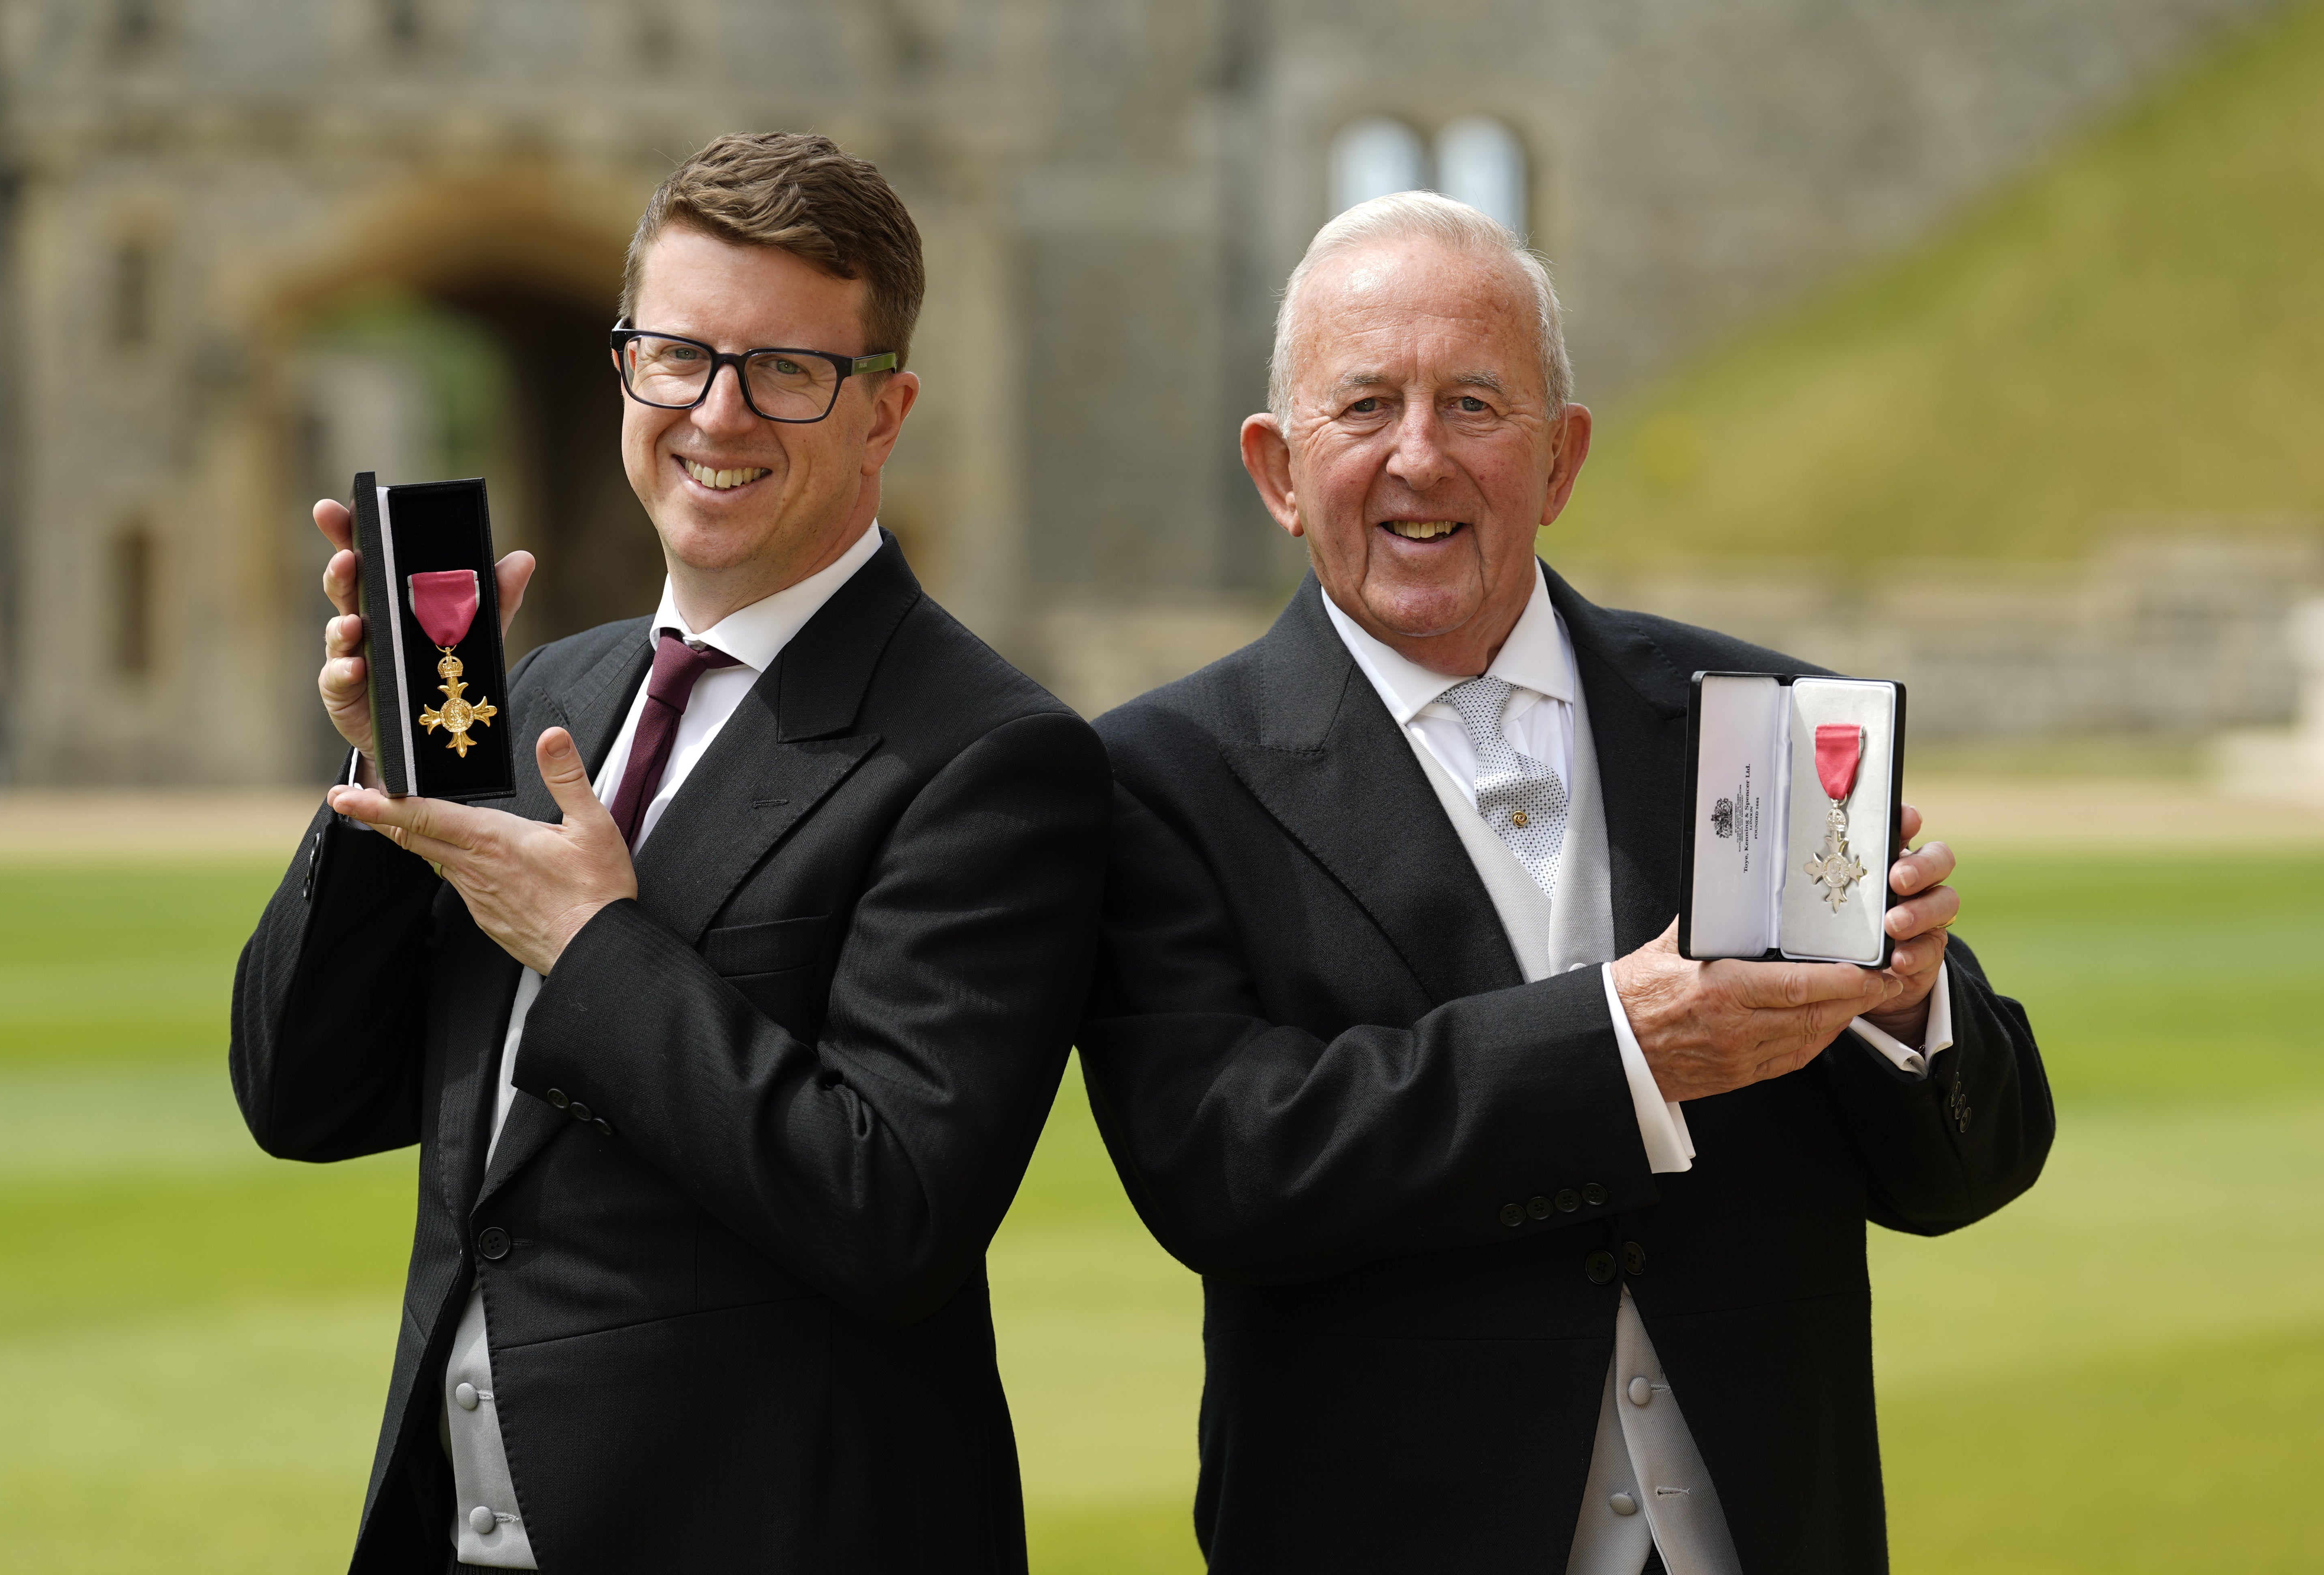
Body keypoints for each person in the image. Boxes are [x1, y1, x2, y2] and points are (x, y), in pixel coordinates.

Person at [1076, 192, 2054, 1575]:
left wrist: (1905, 1009)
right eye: (1364, 407)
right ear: (1278, 468)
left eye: (1474, 404)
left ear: (1560, 459)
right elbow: (1228, 1168)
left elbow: (1969, 1171)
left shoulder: (1767, 712)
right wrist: (1620, 1046)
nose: (1418, 456)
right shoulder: (1158, 773)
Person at [232, 131, 1110, 1572]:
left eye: (785, 370)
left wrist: (592, 946)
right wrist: (388, 781)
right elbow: (299, 1097)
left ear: (883, 414)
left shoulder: (993, 757)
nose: (717, 412)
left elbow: (892, 1210)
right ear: (625, 369)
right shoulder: (545, 698)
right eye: (678, 357)